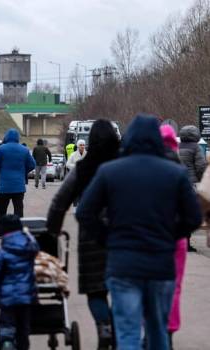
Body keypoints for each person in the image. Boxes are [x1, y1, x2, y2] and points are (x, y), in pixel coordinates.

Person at [76, 115, 202, 350]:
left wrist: (107, 238)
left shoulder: (110, 172)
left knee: (128, 332)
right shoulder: (174, 173)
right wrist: (171, 235)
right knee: (157, 329)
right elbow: (194, 216)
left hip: (123, 264)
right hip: (161, 264)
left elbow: (84, 212)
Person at [47, 120, 120, 349]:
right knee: (121, 290)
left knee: (96, 290)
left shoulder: (83, 168)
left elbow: (60, 202)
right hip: (123, 237)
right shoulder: (125, 165)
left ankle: (103, 326)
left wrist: (52, 230)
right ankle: (118, 330)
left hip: (91, 239)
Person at [0, 215, 39, 350]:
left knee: (6, 324)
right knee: (23, 328)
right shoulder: (29, 248)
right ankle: (23, 346)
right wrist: (27, 234)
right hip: (26, 297)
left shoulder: (0, 253)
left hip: (8, 299)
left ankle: (7, 343)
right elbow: (36, 247)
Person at [160, 125, 188, 350]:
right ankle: (168, 330)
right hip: (175, 239)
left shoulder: (146, 169)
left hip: (149, 238)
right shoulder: (180, 171)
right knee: (174, 286)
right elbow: (193, 213)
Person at [0, 129, 36, 234]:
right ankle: (19, 231)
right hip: (19, 185)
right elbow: (32, 164)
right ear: (17, 138)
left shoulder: (1, 149)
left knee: (2, 210)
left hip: (4, 186)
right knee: (18, 210)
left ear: (6, 137)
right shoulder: (24, 150)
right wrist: (23, 171)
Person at [179, 125, 207, 252]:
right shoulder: (196, 147)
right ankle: (187, 243)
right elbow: (200, 166)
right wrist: (202, 180)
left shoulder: (178, 146)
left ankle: (180, 241)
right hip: (192, 184)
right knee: (190, 213)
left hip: (178, 183)